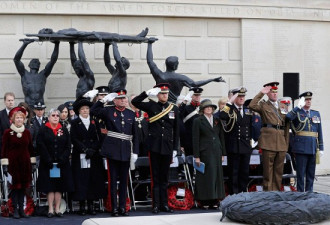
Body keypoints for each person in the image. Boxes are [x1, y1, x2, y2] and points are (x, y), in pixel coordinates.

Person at [131, 83, 180, 214]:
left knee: (165, 178)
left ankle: (164, 204)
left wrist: (175, 148)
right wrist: (147, 93)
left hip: (168, 147)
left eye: (166, 93)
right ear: (158, 95)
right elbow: (135, 101)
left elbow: (176, 130)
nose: (165, 95)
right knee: (156, 177)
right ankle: (156, 205)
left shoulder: (173, 108)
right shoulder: (151, 105)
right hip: (154, 147)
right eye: (162, 93)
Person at [91, 89, 138, 217]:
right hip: (112, 150)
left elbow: (136, 135)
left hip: (126, 151)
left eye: (124, 98)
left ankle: (123, 207)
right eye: (120, 98)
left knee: (124, 181)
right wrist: (103, 100)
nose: (123, 100)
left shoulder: (131, 114)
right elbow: (93, 111)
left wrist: (136, 152)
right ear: (115, 100)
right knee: (112, 182)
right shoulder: (108, 111)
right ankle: (114, 208)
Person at [146, 38, 225, 103]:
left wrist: (150, 44)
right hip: (175, 107)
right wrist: (211, 80)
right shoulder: (181, 78)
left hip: (162, 106)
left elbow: (150, 61)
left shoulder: (159, 75)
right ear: (175, 66)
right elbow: (195, 84)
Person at [249, 82, 290, 191]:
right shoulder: (263, 105)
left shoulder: (283, 106)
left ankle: (276, 192)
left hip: (281, 142)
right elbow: (251, 105)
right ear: (268, 94)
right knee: (268, 171)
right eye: (272, 92)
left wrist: (286, 143)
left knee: (279, 171)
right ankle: (268, 193)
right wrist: (261, 93)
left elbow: (286, 126)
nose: (274, 94)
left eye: (276, 92)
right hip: (268, 142)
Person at [70, 98, 106, 215]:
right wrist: (84, 149)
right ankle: (82, 206)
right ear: (79, 111)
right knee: (81, 180)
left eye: (87, 108)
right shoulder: (75, 123)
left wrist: (93, 149)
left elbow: (99, 137)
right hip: (80, 154)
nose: (85, 111)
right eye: (82, 109)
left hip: (93, 155)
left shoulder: (95, 122)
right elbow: (74, 138)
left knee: (92, 179)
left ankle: (91, 205)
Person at [36, 108, 73, 218]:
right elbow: (40, 145)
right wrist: (48, 159)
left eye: (57, 115)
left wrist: (63, 158)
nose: (56, 117)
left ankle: (57, 209)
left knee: (59, 186)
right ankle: (50, 209)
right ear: (49, 117)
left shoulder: (63, 129)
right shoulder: (43, 129)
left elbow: (68, 145)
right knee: (50, 186)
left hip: (61, 163)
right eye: (53, 115)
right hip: (48, 163)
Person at [1, 107, 35, 219]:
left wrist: (33, 163)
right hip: (13, 165)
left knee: (23, 187)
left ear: (24, 119)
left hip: (25, 164)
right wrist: (5, 165)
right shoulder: (7, 132)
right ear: (13, 119)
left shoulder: (27, 133)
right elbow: (4, 149)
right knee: (15, 188)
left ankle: (22, 210)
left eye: (21, 118)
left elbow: (31, 149)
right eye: (17, 118)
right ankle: (14, 209)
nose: (19, 119)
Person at [286, 92, 324, 192]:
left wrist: (321, 147)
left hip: (312, 147)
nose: (308, 101)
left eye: (309, 99)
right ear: (302, 101)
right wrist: (297, 107)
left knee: (311, 174)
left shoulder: (315, 113)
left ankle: (309, 194)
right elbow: (288, 117)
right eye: (306, 99)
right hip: (301, 148)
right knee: (301, 174)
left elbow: (319, 131)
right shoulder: (297, 113)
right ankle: (300, 194)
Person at [218, 87, 253, 194]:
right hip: (234, 146)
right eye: (239, 96)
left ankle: (243, 193)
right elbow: (221, 115)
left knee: (244, 172)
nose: (242, 98)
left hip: (245, 146)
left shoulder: (247, 110)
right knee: (233, 173)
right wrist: (229, 102)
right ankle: (234, 195)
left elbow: (251, 126)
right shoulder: (230, 109)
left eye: (243, 96)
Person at [192, 99, 226, 208]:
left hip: (216, 150)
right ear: (203, 109)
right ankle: (205, 200)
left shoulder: (217, 120)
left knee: (217, 175)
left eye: (211, 107)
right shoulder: (198, 120)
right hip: (205, 152)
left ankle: (215, 199)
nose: (209, 109)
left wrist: (223, 153)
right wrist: (196, 156)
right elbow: (195, 139)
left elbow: (221, 137)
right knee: (206, 176)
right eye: (207, 107)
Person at [13, 39, 59, 108]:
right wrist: (25, 44)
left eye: (37, 62)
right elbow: (16, 59)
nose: (36, 62)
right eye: (34, 62)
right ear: (29, 65)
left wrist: (56, 45)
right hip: (28, 105)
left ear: (39, 66)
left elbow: (53, 61)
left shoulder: (43, 74)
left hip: (40, 106)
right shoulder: (24, 73)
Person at [179, 87, 203, 157]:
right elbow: (179, 114)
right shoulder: (186, 108)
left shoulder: (203, 108)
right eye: (195, 95)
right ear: (191, 96)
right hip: (189, 140)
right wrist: (184, 101)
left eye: (198, 95)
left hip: (201, 139)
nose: (197, 97)